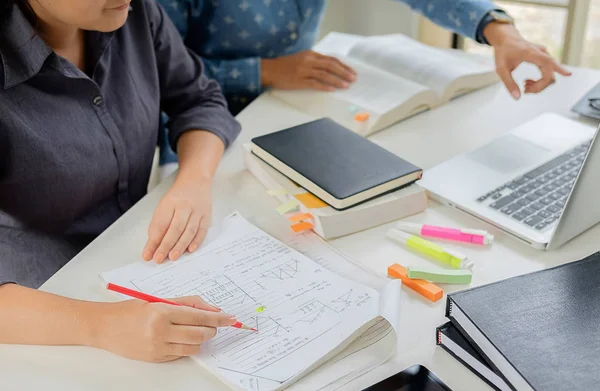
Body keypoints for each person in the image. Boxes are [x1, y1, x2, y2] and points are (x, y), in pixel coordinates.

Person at [0, 0, 241, 362]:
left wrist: (193, 180)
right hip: (42, 319)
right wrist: (100, 324)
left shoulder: (133, 12)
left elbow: (199, 98)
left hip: (144, 262)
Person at [155, 0, 571, 177]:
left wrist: (500, 30)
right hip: (203, 138)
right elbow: (158, 69)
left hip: (300, 109)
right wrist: (263, 71)